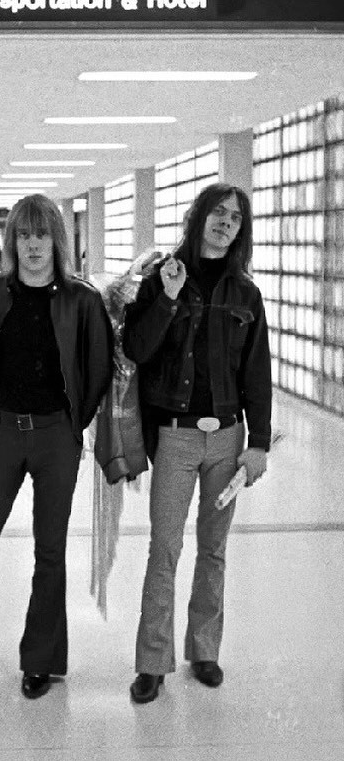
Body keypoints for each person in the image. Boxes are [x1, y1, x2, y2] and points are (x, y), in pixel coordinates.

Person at [0, 194, 114, 702]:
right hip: (3, 434)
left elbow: (98, 369)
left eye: (42, 235)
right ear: (12, 243)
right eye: (24, 236)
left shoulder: (82, 300)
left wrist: (74, 426)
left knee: (50, 551)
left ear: (57, 240)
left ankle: (41, 661)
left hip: (56, 437)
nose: (33, 245)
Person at [122, 183, 272, 704]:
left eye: (235, 217)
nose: (225, 222)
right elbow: (136, 348)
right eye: (217, 212)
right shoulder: (163, 278)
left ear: (240, 229)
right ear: (199, 216)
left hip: (227, 440)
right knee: (164, 548)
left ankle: (204, 651)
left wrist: (259, 444)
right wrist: (166, 298)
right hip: (176, 437)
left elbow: (257, 372)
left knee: (214, 549)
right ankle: (152, 662)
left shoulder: (245, 295)